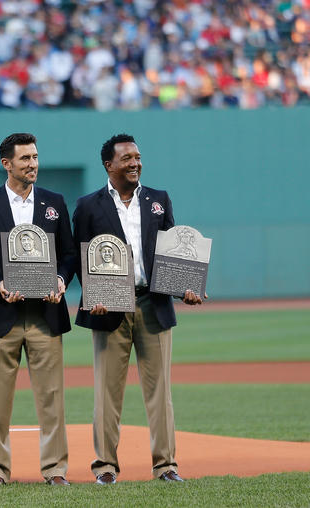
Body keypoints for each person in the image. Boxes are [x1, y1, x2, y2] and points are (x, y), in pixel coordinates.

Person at [73, 133, 204, 485]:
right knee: (106, 392)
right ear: (109, 165)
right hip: (108, 306)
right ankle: (105, 467)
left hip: (153, 302)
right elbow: (80, 257)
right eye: (127, 158)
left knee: (160, 391)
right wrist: (91, 295)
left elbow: (174, 252)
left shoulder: (158, 200)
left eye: (137, 156)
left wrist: (185, 288)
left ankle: (166, 466)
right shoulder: (88, 206)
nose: (135, 163)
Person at [0, 133, 76, 487]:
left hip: (46, 313)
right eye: (25, 158)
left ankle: (55, 470)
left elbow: (70, 254)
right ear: (6, 164)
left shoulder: (54, 202)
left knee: (52, 399)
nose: (33, 164)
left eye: (35, 157)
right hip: (1, 314)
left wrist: (60, 280)